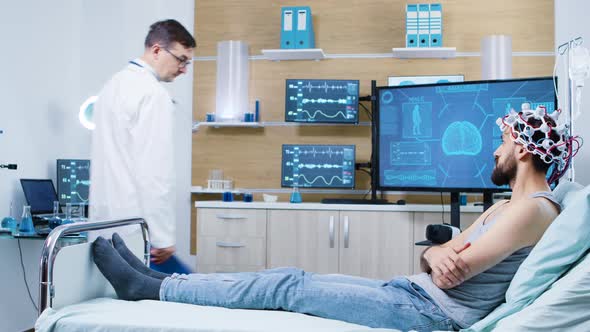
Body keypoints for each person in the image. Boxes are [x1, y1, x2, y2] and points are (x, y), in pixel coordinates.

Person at [92, 104, 581, 331]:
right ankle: (154, 280)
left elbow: (457, 272)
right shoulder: (503, 207)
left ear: (521, 147)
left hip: (429, 315)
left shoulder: (537, 210)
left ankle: (151, 288)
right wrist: (436, 252)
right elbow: (442, 257)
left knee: (287, 288)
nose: (495, 148)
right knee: (293, 277)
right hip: (410, 290)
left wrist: (443, 255)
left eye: (503, 140)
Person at [89, 19, 196, 274]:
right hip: (137, 232)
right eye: (181, 60)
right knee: (188, 295)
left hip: (103, 226)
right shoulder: (152, 94)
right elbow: (153, 173)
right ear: (157, 50)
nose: (184, 70)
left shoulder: (112, 86)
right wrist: (161, 236)